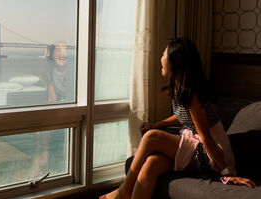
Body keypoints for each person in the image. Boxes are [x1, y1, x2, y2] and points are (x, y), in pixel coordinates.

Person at [100, 37, 257, 199]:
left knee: (152, 137)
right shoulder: (180, 87)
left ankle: (124, 190)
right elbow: (182, 116)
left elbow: (206, 136)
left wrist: (227, 172)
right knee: (151, 164)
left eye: (163, 55)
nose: (161, 59)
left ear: (176, 61)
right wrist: (156, 124)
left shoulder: (193, 92)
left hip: (213, 154)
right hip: (198, 147)